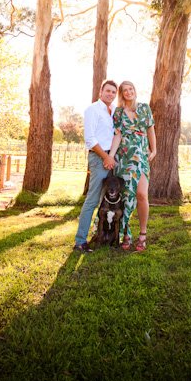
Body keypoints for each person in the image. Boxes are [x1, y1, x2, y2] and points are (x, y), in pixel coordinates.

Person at [108, 81, 156, 252]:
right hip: (124, 158)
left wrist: (154, 149)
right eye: (125, 90)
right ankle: (126, 234)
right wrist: (111, 156)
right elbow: (118, 136)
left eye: (131, 89)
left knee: (142, 195)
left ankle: (143, 234)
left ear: (135, 91)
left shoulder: (144, 108)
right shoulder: (119, 112)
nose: (128, 92)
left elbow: (150, 129)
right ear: (122, 94)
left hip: (141, 157)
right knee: (127, 197)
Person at [73, 79, 118, 253]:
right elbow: (90, 140)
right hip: (99, 157)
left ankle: (100, 234)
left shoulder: (114, 110)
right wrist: (105, 157)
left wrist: (111, 157)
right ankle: (80, 241)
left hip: (111, 157)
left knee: (108, 199)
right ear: (101, 92)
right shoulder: (92, 110)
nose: (110, 94)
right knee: (92, 199)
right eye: (108, 91)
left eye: (113, 92)